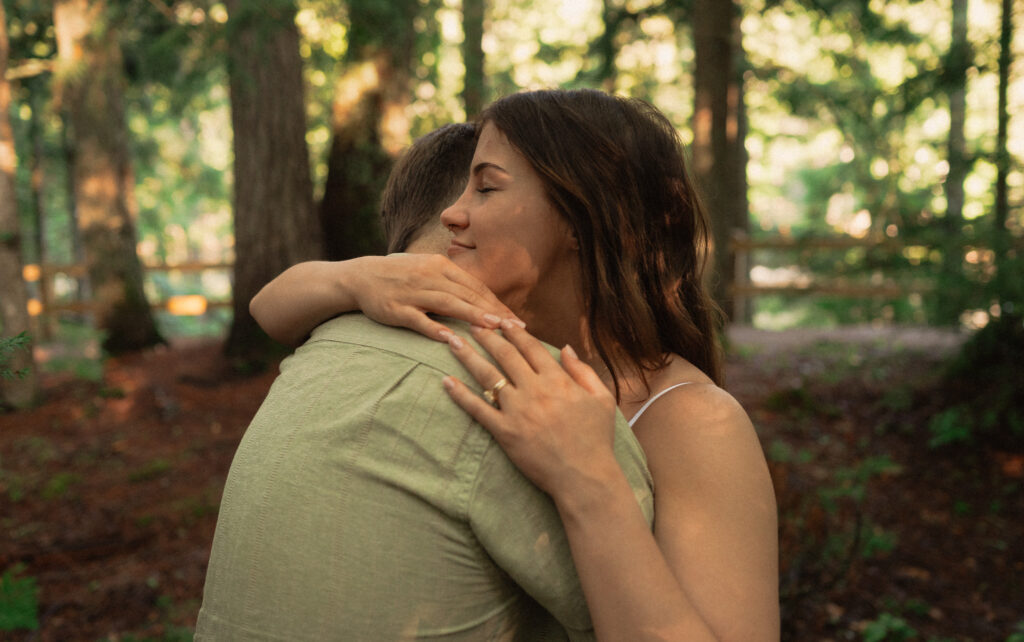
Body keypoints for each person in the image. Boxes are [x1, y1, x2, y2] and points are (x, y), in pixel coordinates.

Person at [251, 89, 780, 642]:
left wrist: (586, 480)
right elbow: (270, 309)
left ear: (585, 218)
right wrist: (353, 277)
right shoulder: (486, 350)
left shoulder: (695, 423)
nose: (452, 214)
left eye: (485, 187)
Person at [194, 123, 655, 640]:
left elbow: (268, 306)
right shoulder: (536, 397)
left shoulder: (320, 349)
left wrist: (354, 277)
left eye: (488, 188)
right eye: (477, 186)